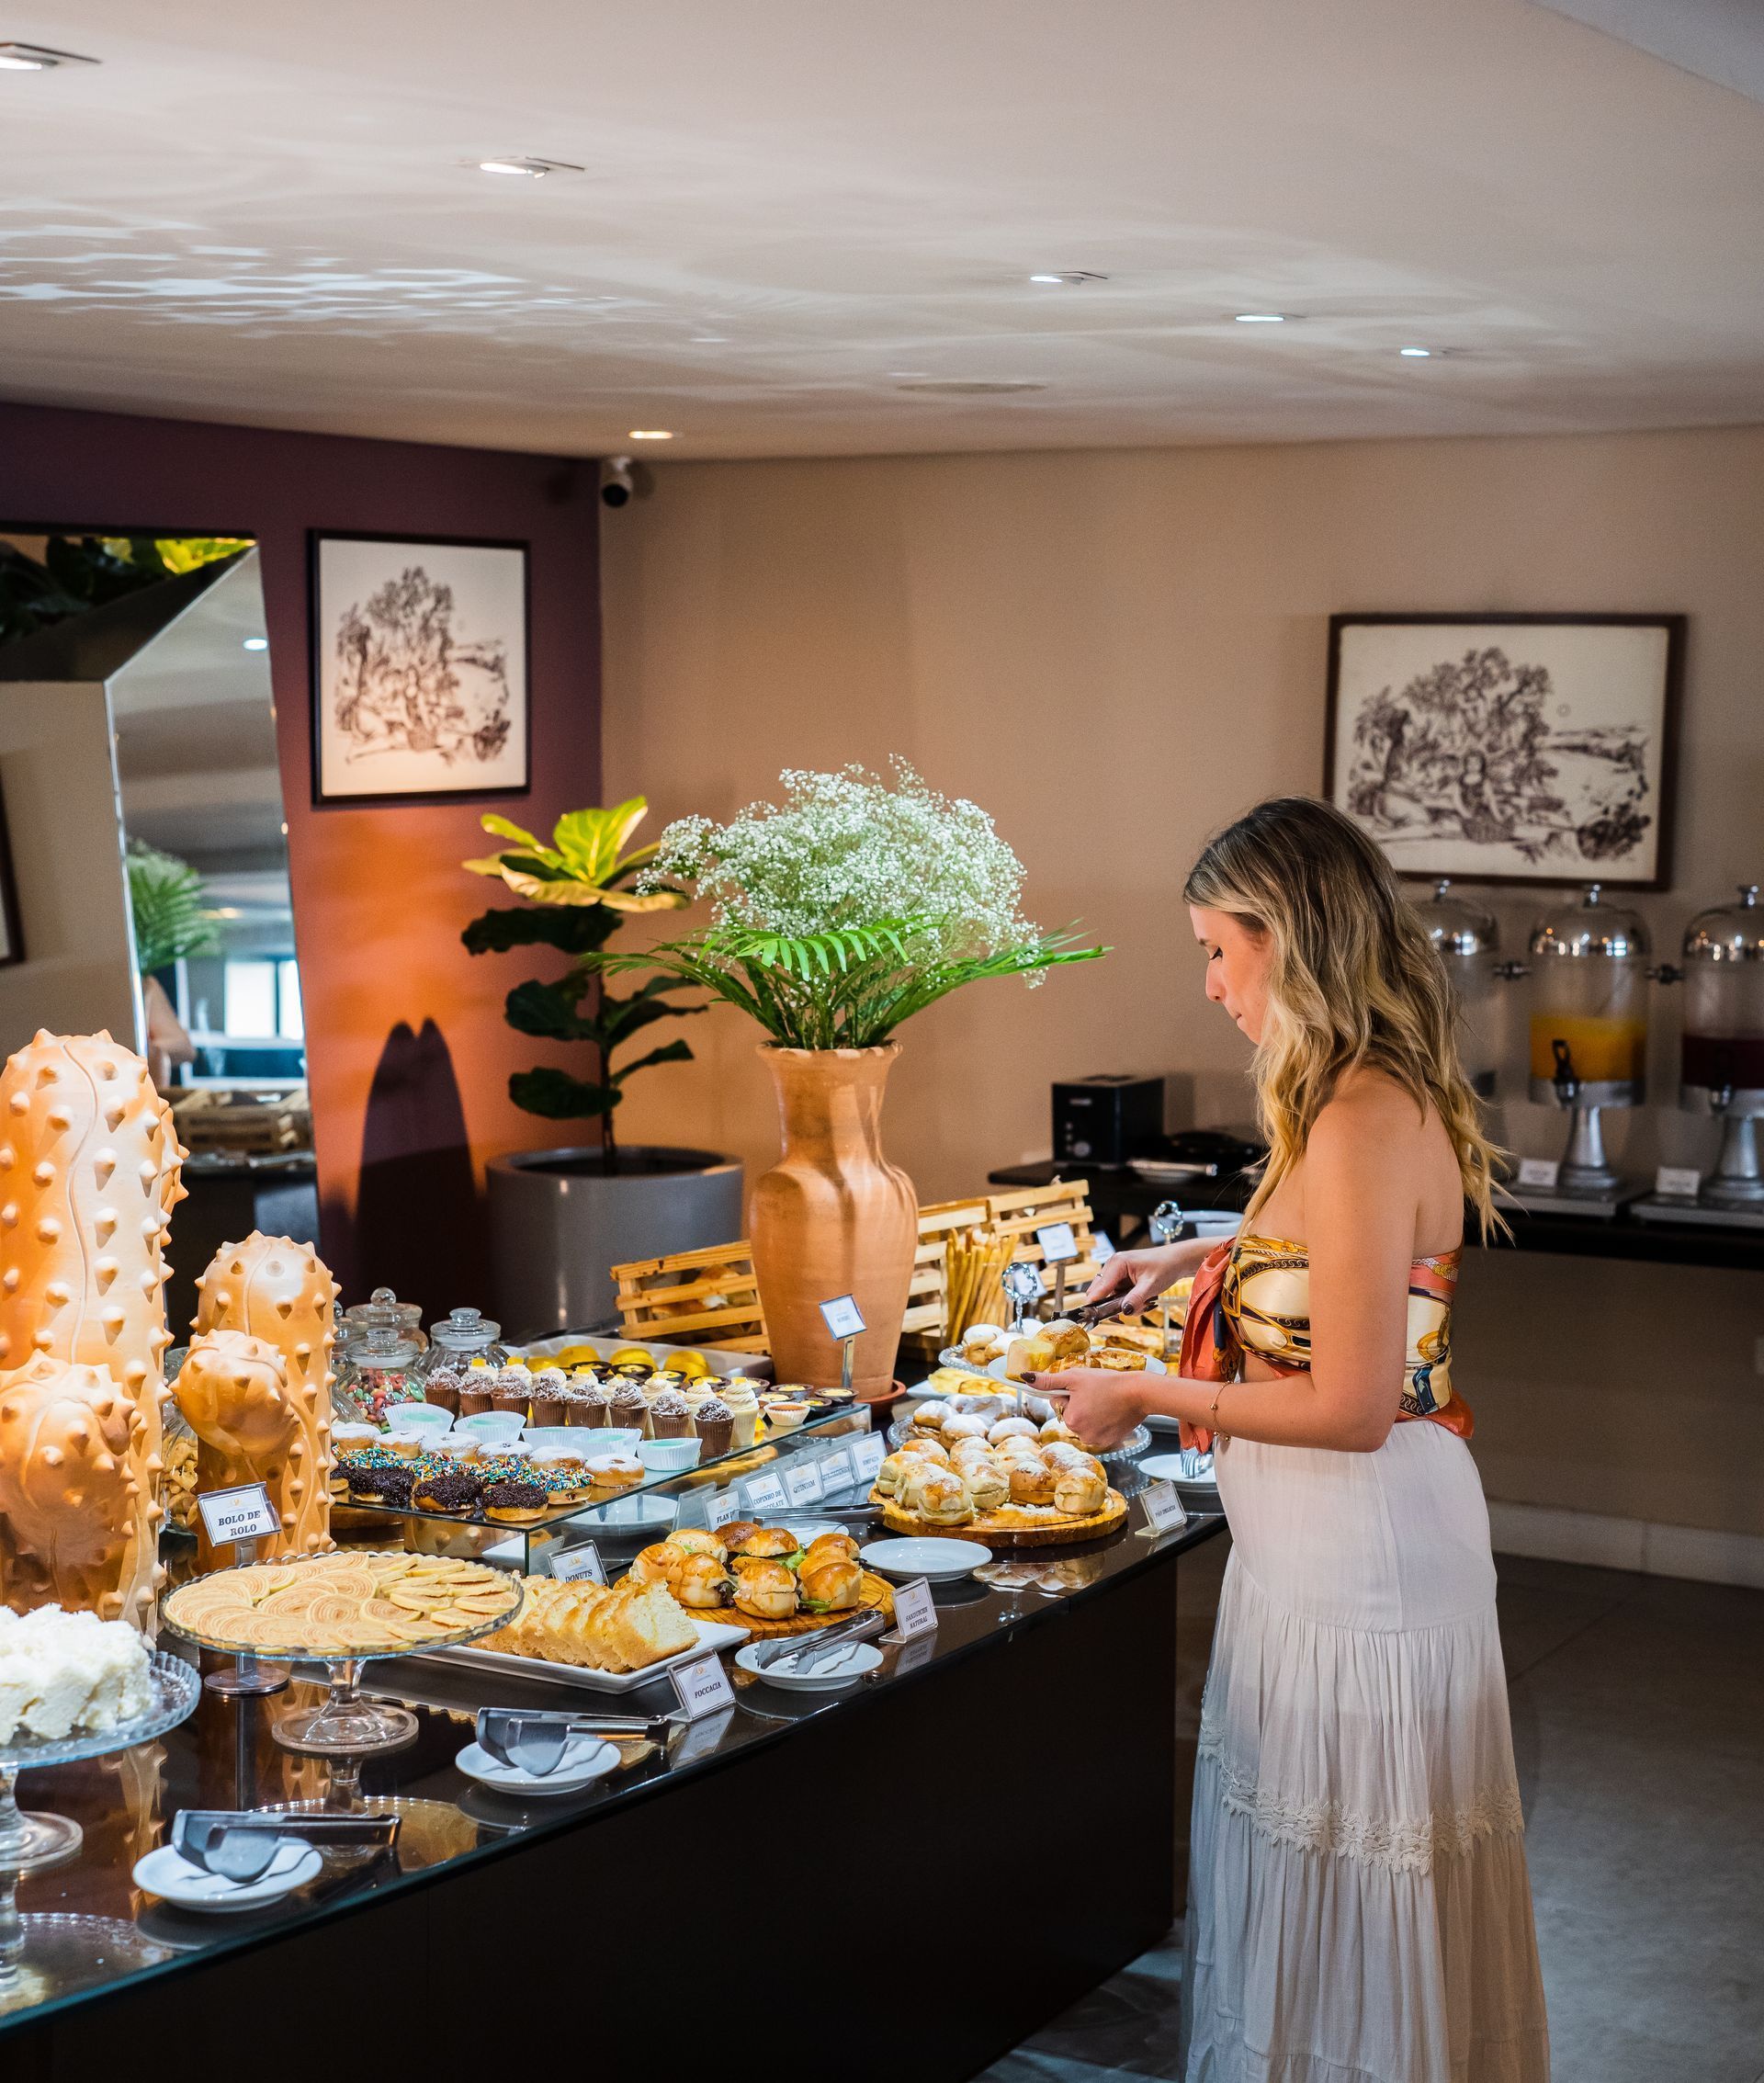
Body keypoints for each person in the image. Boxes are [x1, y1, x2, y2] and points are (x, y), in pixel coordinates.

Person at [1041, 797, 1549, 2083]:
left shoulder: (1361, 1112)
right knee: (1307, 1872)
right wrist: (1193, 1258)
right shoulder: (1342, 1096)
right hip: (1309, 1565)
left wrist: (1143, 1398)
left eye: (1221, 950)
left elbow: (1353, 1409)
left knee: (1355, 1886)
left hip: (1367, 1558)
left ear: (1295, 939)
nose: (1211, 986)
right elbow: (1335, 1251)